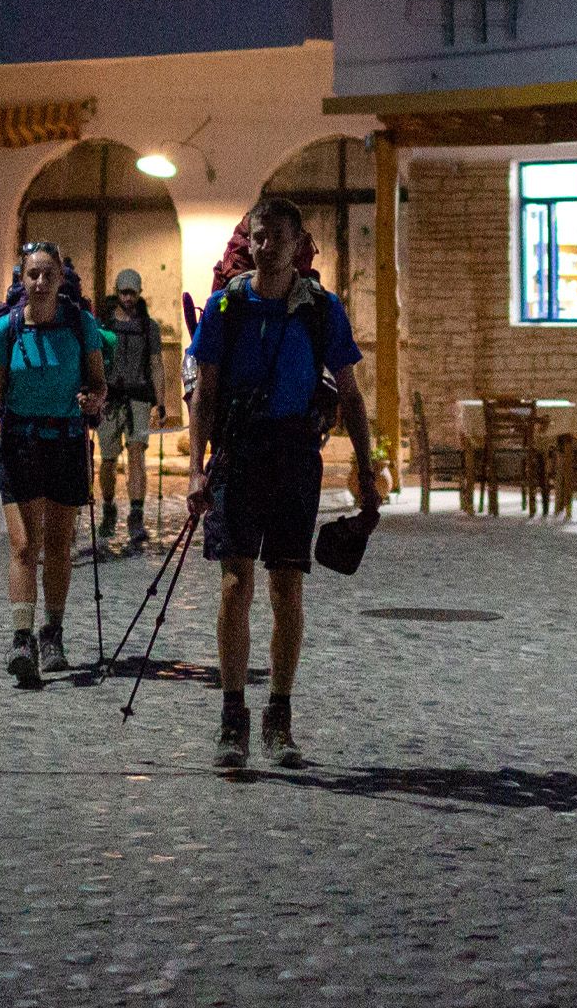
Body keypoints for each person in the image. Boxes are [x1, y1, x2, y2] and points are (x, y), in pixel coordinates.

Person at [187, 195, 381, 771]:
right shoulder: (226, 309)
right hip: (238, 456)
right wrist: (197, 467)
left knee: (287, 588)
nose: (265, 245)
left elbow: (349, 395)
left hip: (296, 456)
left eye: (277, 236)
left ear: (299, 245)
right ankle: (232, 718)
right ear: (248, 242)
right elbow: (205, 394)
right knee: (232, 585)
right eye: (257, 236)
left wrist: (367, 473)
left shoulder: (321, 310)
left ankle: (280, 716)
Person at [0, 241, 106, 687]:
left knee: (59, 546)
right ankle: (22, 639)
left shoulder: (79, 324)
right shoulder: (8, 330)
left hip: (66, 442)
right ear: (22, 279)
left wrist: (92, 399)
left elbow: (99, 384)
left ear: (61, 278)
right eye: (33, 275)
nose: (41, 282)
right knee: (25, 545)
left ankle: (53, 633)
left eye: (49, 274)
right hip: (20, 444)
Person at [96, 268, 163, 554]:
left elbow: (156, 364)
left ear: (138, 293)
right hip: (110, 400)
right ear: (117, 291)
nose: (127, 298)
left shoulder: (149, 327)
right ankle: (109, 507)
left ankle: (136, 513)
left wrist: (161, 402)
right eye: (123, 292)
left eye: (132, 293)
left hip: (137, 397)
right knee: (108, 459)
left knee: (137, 453)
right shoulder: (104, 325)